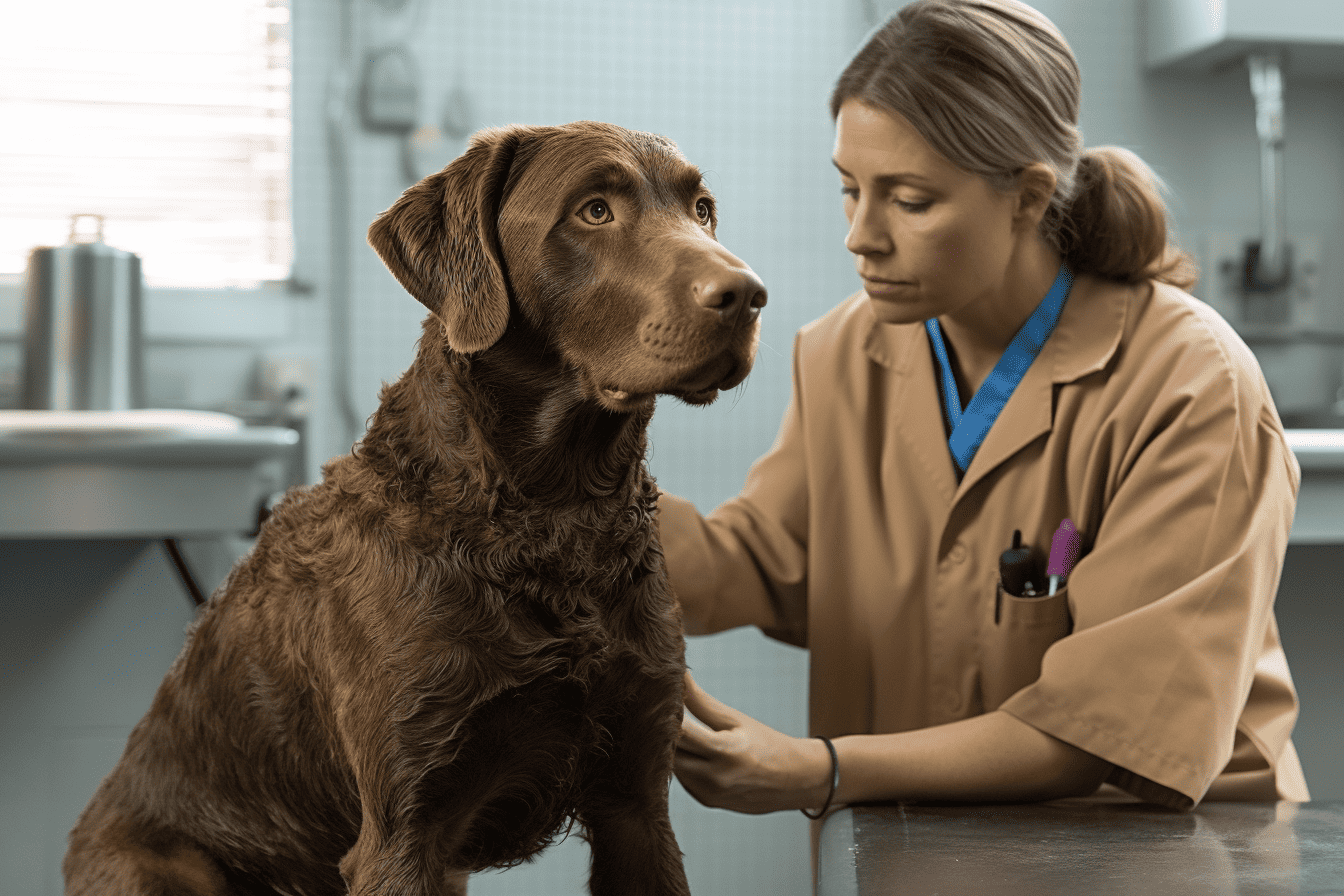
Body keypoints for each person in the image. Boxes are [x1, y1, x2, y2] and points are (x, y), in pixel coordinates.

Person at [664, 0, 1310, 822]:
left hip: (1154, 846)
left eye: (909, 200)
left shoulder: (1190, 383)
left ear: (1027, 197)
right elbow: (759, 564)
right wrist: (577, 488)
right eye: (849, 189)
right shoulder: (838, 353)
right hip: (917, 830)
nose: (861, 236)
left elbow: (1108, 727)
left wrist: (820, 769)